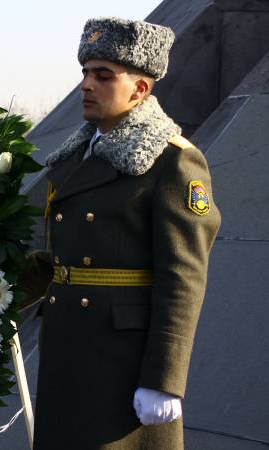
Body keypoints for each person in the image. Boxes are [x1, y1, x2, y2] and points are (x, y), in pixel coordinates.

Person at [25, 17, 222, 449]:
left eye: (103, 76)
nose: (86, 85)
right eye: (85, 73)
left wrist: (164, 379)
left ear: (140, 89)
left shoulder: (173, 162)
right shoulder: (74, 157)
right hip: (67, 349)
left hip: (123, 362)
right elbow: (62, 260)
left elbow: (183, 277)